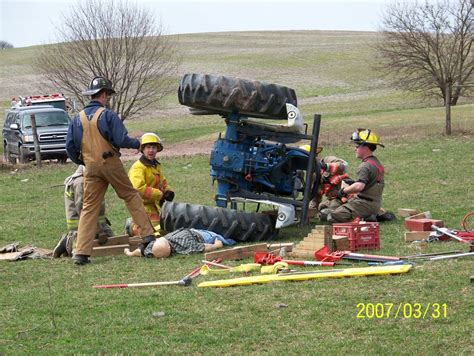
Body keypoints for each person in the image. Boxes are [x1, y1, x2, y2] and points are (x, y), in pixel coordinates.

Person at [66, 76, 157, 265]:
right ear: (104, 95)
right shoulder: (108, 115)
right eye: (107, 95)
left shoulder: (77, 119)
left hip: (90, 167)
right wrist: (138, 143)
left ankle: (81, 253)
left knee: (89, 207)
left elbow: (70, 147)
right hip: (110, 162)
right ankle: (148, 236)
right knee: (130, 195)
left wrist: (83, 161)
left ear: (91, 95)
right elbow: (121, 139)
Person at [319, 129, 385, 223]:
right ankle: (371, 216)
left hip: (363, 204)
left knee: (330, 216)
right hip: (374, 203)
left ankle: (364, 219)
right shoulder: (376, 163)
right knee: (327, 207)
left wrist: (343, 191)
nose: (355, 149)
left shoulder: (365, 166)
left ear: (365, 147)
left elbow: (359, 186)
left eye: (357, 146)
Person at [52, 165, 114, 258]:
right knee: (84, 251)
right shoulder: (81, 183)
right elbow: (84, 211)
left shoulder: (90, 179)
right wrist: (99, 231)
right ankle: (68, 242)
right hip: (82, 227)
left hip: (98, 224)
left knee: (112, 244)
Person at [125, 132, 174, 236]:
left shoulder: (154, 165)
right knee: (155, 233)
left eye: (154, 147)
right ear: (142, 149)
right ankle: (132, 227)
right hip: (142, 207)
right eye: (148, 147)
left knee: (166, 228)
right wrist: (160, 194)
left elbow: (162, 181)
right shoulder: (138, 167)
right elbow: (138, 188)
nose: (151, 150)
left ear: (157, 149)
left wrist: (168, 191)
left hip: (154, 206)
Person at [124, 228, 236, 258]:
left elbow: (140, 252)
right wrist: (217, 245)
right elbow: (203, 247)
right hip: (201, 236)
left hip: (189, 231)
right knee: (223, 238)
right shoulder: (185, 245)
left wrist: (129, 253)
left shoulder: (153, 248)